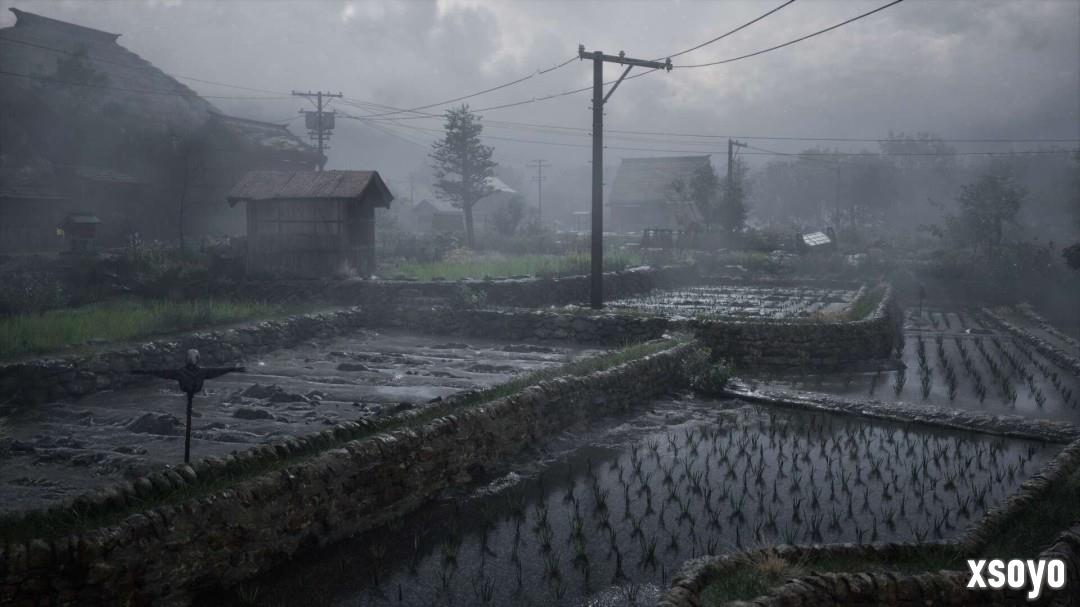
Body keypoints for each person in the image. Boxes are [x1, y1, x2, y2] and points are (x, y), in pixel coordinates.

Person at [133, 349, 245, 463]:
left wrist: (141, 371)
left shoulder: (181, 372)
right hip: (192, 392)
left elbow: (160, 372)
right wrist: (234, 369)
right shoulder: (202, 372)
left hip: (189, 392)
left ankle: (186, 461)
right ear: (198, 359)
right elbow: (218, 371)